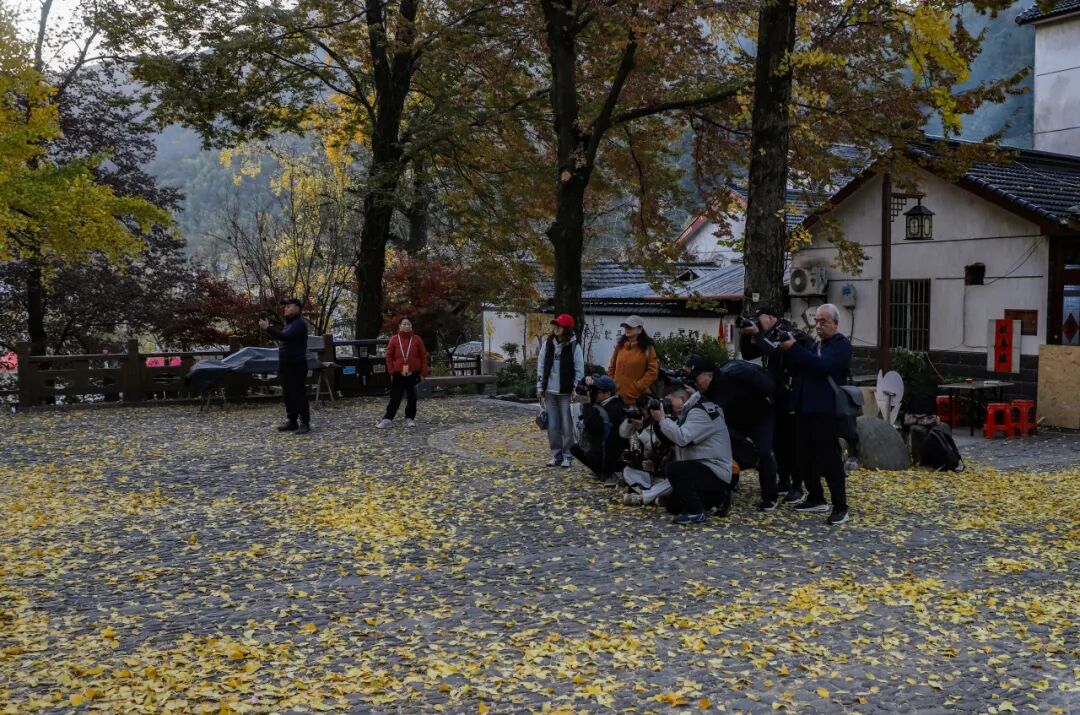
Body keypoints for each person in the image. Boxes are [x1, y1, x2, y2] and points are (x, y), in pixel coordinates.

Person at [780, 303, 853, 525]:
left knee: (830, 460)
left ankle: (840, 507)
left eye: (824, 321)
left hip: (826, 411)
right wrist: (790, 346)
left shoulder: (841, 345)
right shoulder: (815, 345)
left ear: (835, 323)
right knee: (804, 457)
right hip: (805, 409)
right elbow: (799, 366)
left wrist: (795, 348)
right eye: (817, 321)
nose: (819, 326)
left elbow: (821, 366)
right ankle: (815, 497)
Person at [687, 355, 778, 511]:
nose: (695, 382)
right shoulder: (705, 393)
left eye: (697, 378)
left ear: (709, 375)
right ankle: (728, 485)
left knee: (764, 452)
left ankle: (770, 496)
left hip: (760, 417)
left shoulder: (731, 379)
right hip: (736, 425)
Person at [739, 305, 806, 503]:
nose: (757, 323)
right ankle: (783, 480)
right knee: (778, 441)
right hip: (773, 396)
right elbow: (748, 354)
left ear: (770, 317)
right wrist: (746, 335)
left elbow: (777, 352)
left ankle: (797, 485)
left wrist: (758, 335)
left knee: (791, 443)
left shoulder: (786, 331)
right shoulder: (766, 335)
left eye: (759, 318)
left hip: (790, 395)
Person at [651, 382, 733, 526]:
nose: (667, 405)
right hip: (701, 470)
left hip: (715, 470)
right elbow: (671, 442)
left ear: (682, 399)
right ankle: (718, 498)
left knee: (674, 468)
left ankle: (697, 513)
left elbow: (683, 438)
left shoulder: (700, 412)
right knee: (673, 507)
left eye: (669, 401)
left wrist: (663, 420)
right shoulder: (686, 413)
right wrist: (658, 423)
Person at [536, 314, 585, 468]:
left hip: (566, 393)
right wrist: (539, 387)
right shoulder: (548, 344)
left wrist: (576, 389)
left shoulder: (574, 346)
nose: (556, 328)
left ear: (567, 328)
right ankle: (556, 455)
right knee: (552, 426)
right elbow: (541, 365)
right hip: (549, 392)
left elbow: (579, 370)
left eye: (560, 326)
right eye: (555, 325)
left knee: (567, 426)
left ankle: (568, 456)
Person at [259, 298, 311, 434]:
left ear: (297, 308)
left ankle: (305, 422)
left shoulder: (299, 323)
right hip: (286, 365)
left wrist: (268, 328)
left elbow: (284, 336)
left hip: (297, 365)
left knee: (299, 393)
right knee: (288, 394)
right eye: (285, 306)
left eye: (289, 306)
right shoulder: (290, 324)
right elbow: (283, 336)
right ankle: (292, 421)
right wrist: (269, 328)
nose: (285, 308)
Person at [570, 375, 628, 484]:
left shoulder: (615, 408)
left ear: (608, 394)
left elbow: (593, 427)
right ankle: (600, 469)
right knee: (575, 448)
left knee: (581, 449)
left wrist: (587, 405)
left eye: (597, 391)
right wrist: (586, 380)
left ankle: (605, 471)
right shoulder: (604, 403)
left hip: (611, 455)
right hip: (602, 449)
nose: (593, 392)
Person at [376, 318, 429, 429]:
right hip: (398, 373)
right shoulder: (394, 339)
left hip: (413, 373)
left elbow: (423, 356)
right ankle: (387, 419)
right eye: (404, 324)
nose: (406, 326)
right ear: (399, 326)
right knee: (395, 397)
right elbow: (388, 356)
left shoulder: (417, 339)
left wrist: (423, 373)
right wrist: (391, 371)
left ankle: (410, 418)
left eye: (408, 324)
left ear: (411, 326)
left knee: (412, 397)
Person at [606, 316, 659, 406]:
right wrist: (613, 384)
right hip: (617, 397)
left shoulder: (648, 348)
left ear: (640, 330)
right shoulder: (620, 346)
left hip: (636, 399)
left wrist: (638, 387)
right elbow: (612, 367)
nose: (627, 329)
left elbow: (652, 372)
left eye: (631, 327)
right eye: (626, 327)